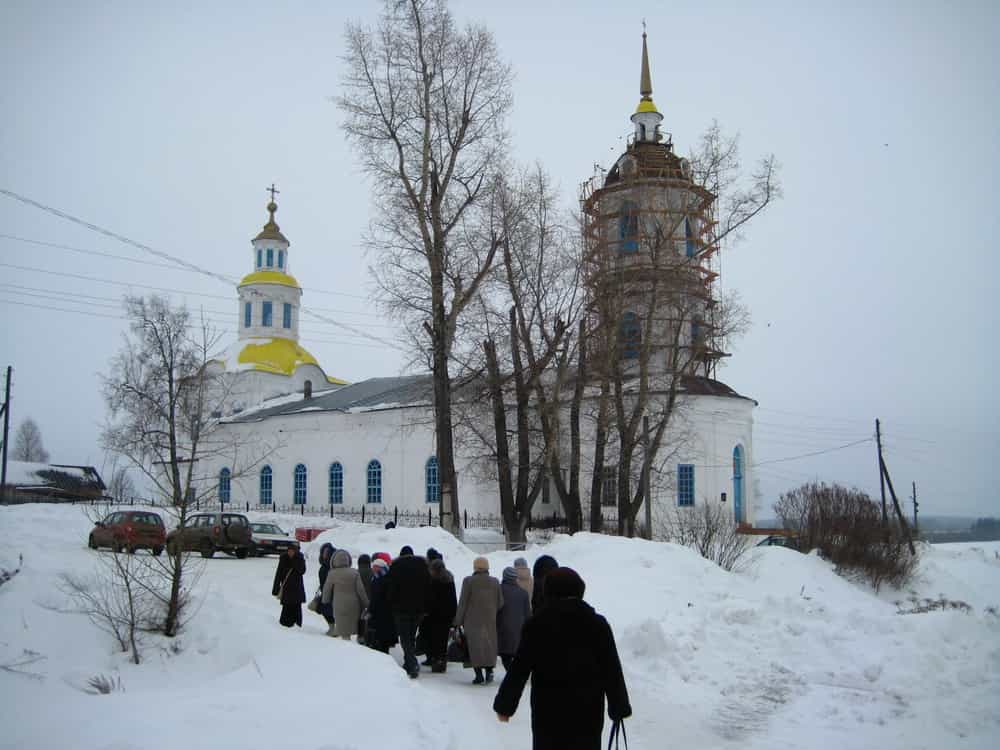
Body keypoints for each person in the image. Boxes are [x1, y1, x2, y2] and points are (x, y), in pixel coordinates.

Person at [493, 567, 632, 750]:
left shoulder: (537, 625)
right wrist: (619, 706)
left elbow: (519, 669)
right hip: (587, 712)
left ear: (548, 592)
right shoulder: (597, 624)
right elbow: (611, 669)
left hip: (548, 712)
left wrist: (505, 706)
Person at [454, 556, 503, 684]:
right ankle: (489, 671)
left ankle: (478, 675)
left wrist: (457, 621)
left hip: (472, 621)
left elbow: (463, 603)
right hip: (490, 620)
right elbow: (500, 602)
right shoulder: (495, 582)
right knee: (489, 646)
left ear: (475, 567)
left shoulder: (468, 581)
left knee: (474, 647)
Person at [386, 545, 431, 678]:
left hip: (401, 608)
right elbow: (428, 587)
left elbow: (391, 587)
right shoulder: (423, 566)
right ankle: (409, 660)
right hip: (418, 609)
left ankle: (411, 663)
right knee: (411, 635)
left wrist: (391, 603)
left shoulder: (395, 566)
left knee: (405, 637)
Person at [322, 549, 369, 640]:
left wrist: (325, 600)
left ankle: (346, 642)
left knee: (343, 628)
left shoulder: (332, 573)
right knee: (351, 625)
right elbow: (361, 590)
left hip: (339, 604)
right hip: (354, 604)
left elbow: (327, 589)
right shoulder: (355, 572)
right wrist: (366, 603)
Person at [424, 557, 457, 673]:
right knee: (443, 639)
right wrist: (454, 614)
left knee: (434, 639)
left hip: (434, 614)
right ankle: (441, 661)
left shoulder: (433, 580)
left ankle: (435, 661)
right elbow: (453, 599)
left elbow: (429, 598)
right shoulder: (449, 579)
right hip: (447, 615)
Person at [497, 565, 531, 671]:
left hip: (502, 628)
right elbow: (528, 615)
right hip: (519, 629)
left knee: (505, 655)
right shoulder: (523, 593)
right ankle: (514, 673)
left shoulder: (499, 590)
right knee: (516, 653)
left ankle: (511, 673)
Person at [271, 543, 306, 628]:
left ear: (295, 551)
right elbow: (278, 573)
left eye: (292, 551)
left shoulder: (300, 558)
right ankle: (285, 624)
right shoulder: (283, 559)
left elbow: (302, 570)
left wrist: (294, 562)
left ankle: (297, 625)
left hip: (297, 588)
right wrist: (276, 588)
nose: (290, 553)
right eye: (289, 551)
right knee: (286, 606)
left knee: (296, 606)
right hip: (286, 587)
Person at [366, 557, 396, 653]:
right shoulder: (387, 577)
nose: (372, 568)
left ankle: (382, 653)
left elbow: (375, 597)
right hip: (387, 611)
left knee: (380, 634)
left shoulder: (379, 579)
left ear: (380, 567)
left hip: (380, 611)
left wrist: (370, 610)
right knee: (384, 634)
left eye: (375, 567)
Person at [317, 542, 336, 626]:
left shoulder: (332, 565)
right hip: (325, 590)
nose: (324, 554)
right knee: (324, 609)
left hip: (332, 591)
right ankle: (332, 627)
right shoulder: (324, 565)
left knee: (327, 609)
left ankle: (333, 627)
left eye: (326, 552)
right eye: (323, 552)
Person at [356, 553, 373, 644]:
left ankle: (360, 636)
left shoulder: (356, 572)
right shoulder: (372, 572)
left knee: (360, 618)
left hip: (359, 599)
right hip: (370, 599)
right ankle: (369, 637)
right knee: (369, 618)